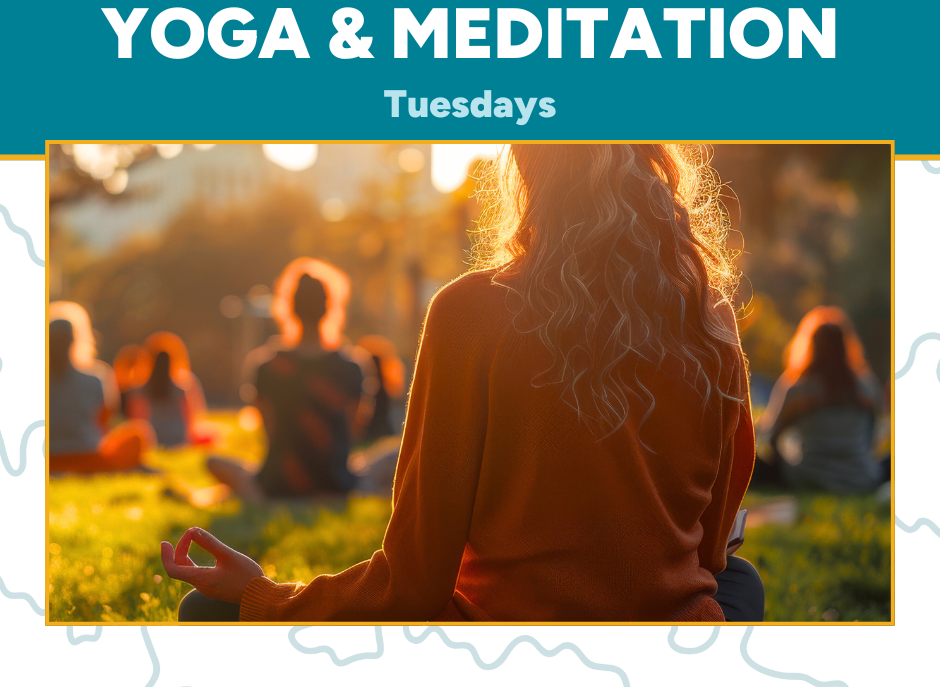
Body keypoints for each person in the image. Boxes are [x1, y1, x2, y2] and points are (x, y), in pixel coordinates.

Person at [162, 144, 761, 623]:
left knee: (206, 611)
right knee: (740, 583)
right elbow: (709, 552)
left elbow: (413, 584)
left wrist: (265, 597)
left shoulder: (471, 311)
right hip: (668, 634)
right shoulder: (710, 318)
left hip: (503, 641)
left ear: (528, 177)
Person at [200, 258, 394, 504]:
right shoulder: (352, 366)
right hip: (336, 480)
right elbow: (350, 432)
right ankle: (337, 495)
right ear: (330, 307)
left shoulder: (266, 365)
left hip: (278, 482)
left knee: (214, 462)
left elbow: (269, 431)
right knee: (396, 454)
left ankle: (258, 495)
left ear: (288, 307)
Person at [750, 307, 886, 493]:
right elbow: (873, 437)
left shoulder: (796, 386)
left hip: (806, 477)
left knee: (751, 460)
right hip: (862, 477)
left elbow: (771, 439)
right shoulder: (866, 385)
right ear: (847, 345)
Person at [48, 313, 155, 474]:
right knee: (138, 434)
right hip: (88, 455)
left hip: (48, 458)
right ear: (74, 340)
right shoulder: (96, 377)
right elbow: (104, 423)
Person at [126, 350, 192, 447]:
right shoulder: (180, 389)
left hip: (154, 437)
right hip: (178, 436)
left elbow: (137, 417)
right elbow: (188, 416)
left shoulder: (142, 389)